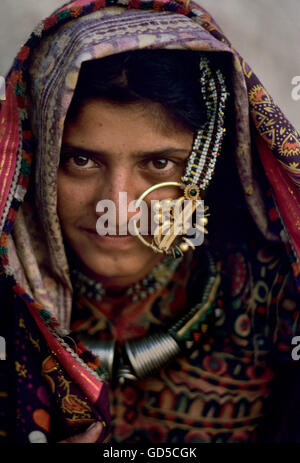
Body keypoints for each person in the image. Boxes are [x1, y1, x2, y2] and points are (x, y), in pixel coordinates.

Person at [0, 0, 300, 444]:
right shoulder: (9, 318)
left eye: (160, 162)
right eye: (80, 160)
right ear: (37, 160)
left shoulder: (278, 300)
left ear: (207, 166)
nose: (118, 207)